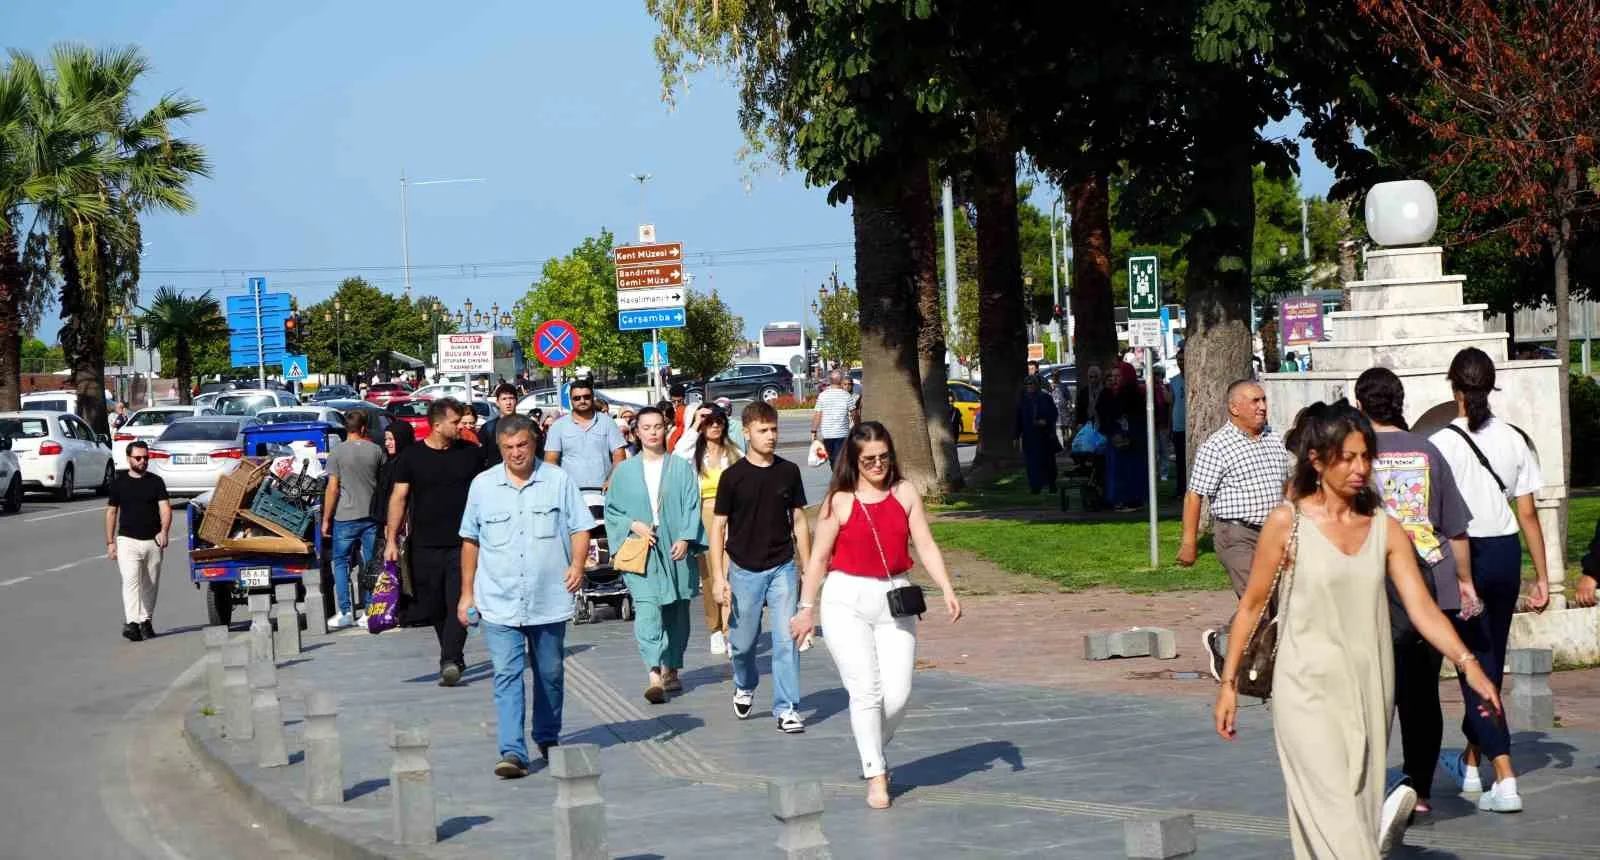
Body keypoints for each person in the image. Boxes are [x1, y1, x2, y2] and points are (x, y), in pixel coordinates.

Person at [1213, 400, 1501, 859]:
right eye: (1347, 457)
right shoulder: (1287, 524)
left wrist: (1469, 664)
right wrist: (1228, 685)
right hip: (1304, 686)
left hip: (1369, 686)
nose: (1360, 468)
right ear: (1317, 460)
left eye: (1366, 456)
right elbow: (1250, 608)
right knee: (1330, 807)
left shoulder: (1386, 528)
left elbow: (1423, 609)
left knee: (1351, 807)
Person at [790, 422, 962, 809]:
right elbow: (818, 558)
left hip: (895, 595)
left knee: (898, 694)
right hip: (845, 598)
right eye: (869, 460)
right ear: (853, 460)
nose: (878, 465)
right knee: (865, 690)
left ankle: (871, 745)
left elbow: (926, 545)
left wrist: (947, 588)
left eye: (884, 457)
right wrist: (805, 609)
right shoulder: (840, 500)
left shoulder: (905, 493)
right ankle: (876, 774)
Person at [1427, 347, 1551, 813]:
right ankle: (1473, 764)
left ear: (1454, 387)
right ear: (1489, 386)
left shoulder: (1441, 443)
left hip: (1463, 554)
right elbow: (1529, 515)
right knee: (1489, 661)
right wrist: (1544, 577)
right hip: (1504, 553)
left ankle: (1504, 774)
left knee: (1472, 665)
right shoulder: (1514, 440)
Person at [1354, 367, 1474, 817]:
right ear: (1400, 402)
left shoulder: (1355, 456)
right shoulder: (1428, 451)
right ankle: (1419, 788)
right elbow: (1455, 526)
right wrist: (1464, 582)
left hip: (1376, 585)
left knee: (1374, 689)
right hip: (1432, 578)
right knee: (1422, 693)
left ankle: (1367, 783)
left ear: (1360, 406)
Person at [457, 415, 590, 778]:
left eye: (523, 446)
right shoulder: (482, 486)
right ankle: (512, 750)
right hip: (498, 599)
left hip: (548, 598)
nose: (517, 454)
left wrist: (577, 565)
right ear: (499, 449)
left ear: (534, 443)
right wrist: (466, 594)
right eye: (508, 448)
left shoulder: (558, 480)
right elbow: (470, 541)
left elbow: (581, 527)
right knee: (506, 674)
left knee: (549, 673)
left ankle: (547, 736)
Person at [710, 401, 812, 733]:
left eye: (774, 429)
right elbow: (717, 527)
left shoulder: (789, 472)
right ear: (746, 432)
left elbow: (799, 520)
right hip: (743, 569)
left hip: (782, 566)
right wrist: (716, 577)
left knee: (787, 639)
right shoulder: (733, 477)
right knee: (742, 642)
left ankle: (787, 708)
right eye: (763, 430)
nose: (770, 436)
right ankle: (745, 682)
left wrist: (808, 566)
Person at [1179, 379, 1292, 680]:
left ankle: (1226, 640)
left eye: (1264, 400)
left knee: (1286, 601)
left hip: (1275, 535)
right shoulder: (1217, 446)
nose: (1262, 406)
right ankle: (1238, 659)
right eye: (1255, 401)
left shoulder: (1274, 439)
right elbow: (1194, 494)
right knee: (1259, 600)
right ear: (1234, 407)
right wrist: (1189, 541)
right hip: (1237, 534)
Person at [605, 408, 706, 703]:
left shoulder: (680, 467)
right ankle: (653, 673)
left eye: (658, 426)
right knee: (648, 609)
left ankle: (672, 666)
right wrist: (632, 524)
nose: (652, 432)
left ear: (666, 429)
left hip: (674, 546)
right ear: (636, 432)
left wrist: (687, 537)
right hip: (641, 550)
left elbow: (692, 504)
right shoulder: (624, 472)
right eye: (646, 427)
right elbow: (612, 510)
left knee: (676, 610)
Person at [385, 399, 483, 687]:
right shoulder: (411, 457)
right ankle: (453, 655)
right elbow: (398, 498)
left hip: (464, 543)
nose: (462, 426)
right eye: (456, 422)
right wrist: (391, 539)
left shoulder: (471, 454)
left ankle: (450, 659)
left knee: (459, 601)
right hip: (424, 545)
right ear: (437, 424)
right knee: (435, 607)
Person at [674, 405, 743, 655]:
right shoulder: (694, 453)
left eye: (719, 421)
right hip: (703, 513)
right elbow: (678, 455)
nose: (714, 425)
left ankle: (728, 629)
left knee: (729, 572)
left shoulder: (733, 451)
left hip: (731, 514)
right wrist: (694, 425)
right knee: (711, 575)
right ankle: (714, 628)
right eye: (708, 421)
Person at [322, 410, 385, 628]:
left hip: (345, 516)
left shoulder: (337, 453)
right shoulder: (376, 451)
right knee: (370, 563)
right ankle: (369, 611)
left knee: (341, 563)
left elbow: (332, 489)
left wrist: (326, 519)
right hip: (371, 514)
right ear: (364, 428)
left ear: (346, 429)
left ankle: (345, 611)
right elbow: (383, 482)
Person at [106, 441, 171, 641]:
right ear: (129, 459)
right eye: (138, 458)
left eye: (146, 458)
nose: (143, 461)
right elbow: (111, 512)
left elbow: (165, 509)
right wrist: (110, 542)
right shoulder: (119, 483)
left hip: (152, 540)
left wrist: (164, 531)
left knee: (150, 583)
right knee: (130, 581)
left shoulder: (156, 482)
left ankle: (146, 621)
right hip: (127, 540)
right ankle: (132, 623)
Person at [544, 379, 627, 490]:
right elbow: (550, 462)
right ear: (571, 400)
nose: (582, 401)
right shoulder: (558, 426)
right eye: (577, 398)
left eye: (586, 397)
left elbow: (619, 456)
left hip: (603, 492)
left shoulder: (608, 423)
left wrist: (612, 480)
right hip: (570, 492)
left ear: (592, 397)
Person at [372, 421, 416, 616]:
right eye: (386, 440)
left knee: (403, 567)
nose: (388, 443)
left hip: (402, 527)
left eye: (391, 439)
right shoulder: (391, 463)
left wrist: (391, 525)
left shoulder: (404, 463)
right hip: (390, 526)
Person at [1097, 362, 1147, 510]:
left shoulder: (1133, 394)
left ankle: (1132, 500)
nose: (1115, 379)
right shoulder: (1108, 394)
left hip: (1131, 441)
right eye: (1112, 376)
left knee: (1131, 471)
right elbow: (1104, 414)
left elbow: (1136, 418)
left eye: (1118, 376)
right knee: (1115, 471)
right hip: (1114, 438)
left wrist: (1128, 437)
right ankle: (1116, 499)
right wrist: (1112, 433)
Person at [1015, 376, 1059, 494]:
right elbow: (1019, 419)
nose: (1030, 386)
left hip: (1044, 435)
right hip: (1029, 436)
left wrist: (1045, 421)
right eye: (1027, 384)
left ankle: (1051, 483)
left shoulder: (1045, 398)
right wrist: (1016, 434)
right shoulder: (1023, 401)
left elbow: (1053, 414)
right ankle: (1035, 486)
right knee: (1031, 462)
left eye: (1032, 384)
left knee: (1047, 461)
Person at [812, 370, 857, 464]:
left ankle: (838, 475)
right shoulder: (847, 395)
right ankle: (840, 476)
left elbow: (817, 414)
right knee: (840, 460)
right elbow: (854, 414)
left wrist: (814, 431)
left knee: (833, 460)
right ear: (841, 381)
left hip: (827, 435)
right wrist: (858, 427)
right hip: (842, 434)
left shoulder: (822, 396)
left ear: (829, 380)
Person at [479, 383, 522, 469]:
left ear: (516, 401)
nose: (508, 403)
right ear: (498, 403)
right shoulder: (488, 428)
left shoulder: (527, 425)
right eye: (504, 399)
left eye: (511, 398)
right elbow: (481, 458)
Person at [1170, 350, 1188, 494]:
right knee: (1180, 459)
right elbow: (1172, 403)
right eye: (1178, 360)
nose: (1180, 362)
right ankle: (1180, 488)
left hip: (1190, 426)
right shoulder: (1174, 381)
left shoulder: (1194, 378)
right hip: (1178, 425)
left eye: (1183, 359)